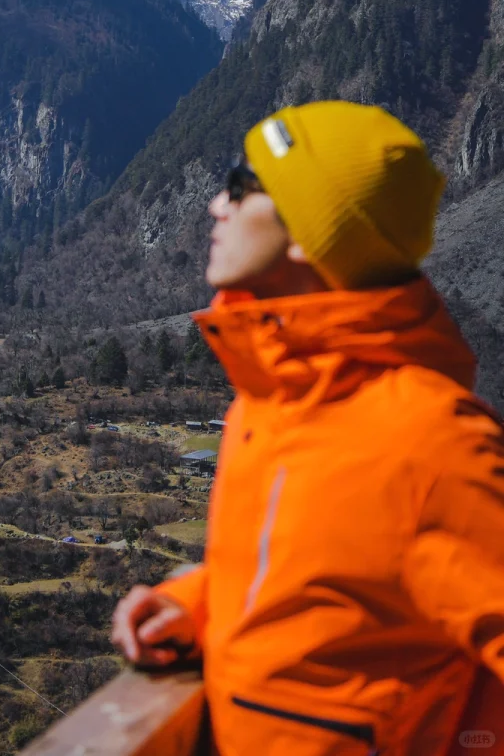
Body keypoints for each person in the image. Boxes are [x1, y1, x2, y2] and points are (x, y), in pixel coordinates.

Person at [111, 101, 504, 755]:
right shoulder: (271, 402)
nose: (216, 206)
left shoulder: (433, 443)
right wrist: (195, 604)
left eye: (241, 187)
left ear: (309, 232)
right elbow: (321, 579)